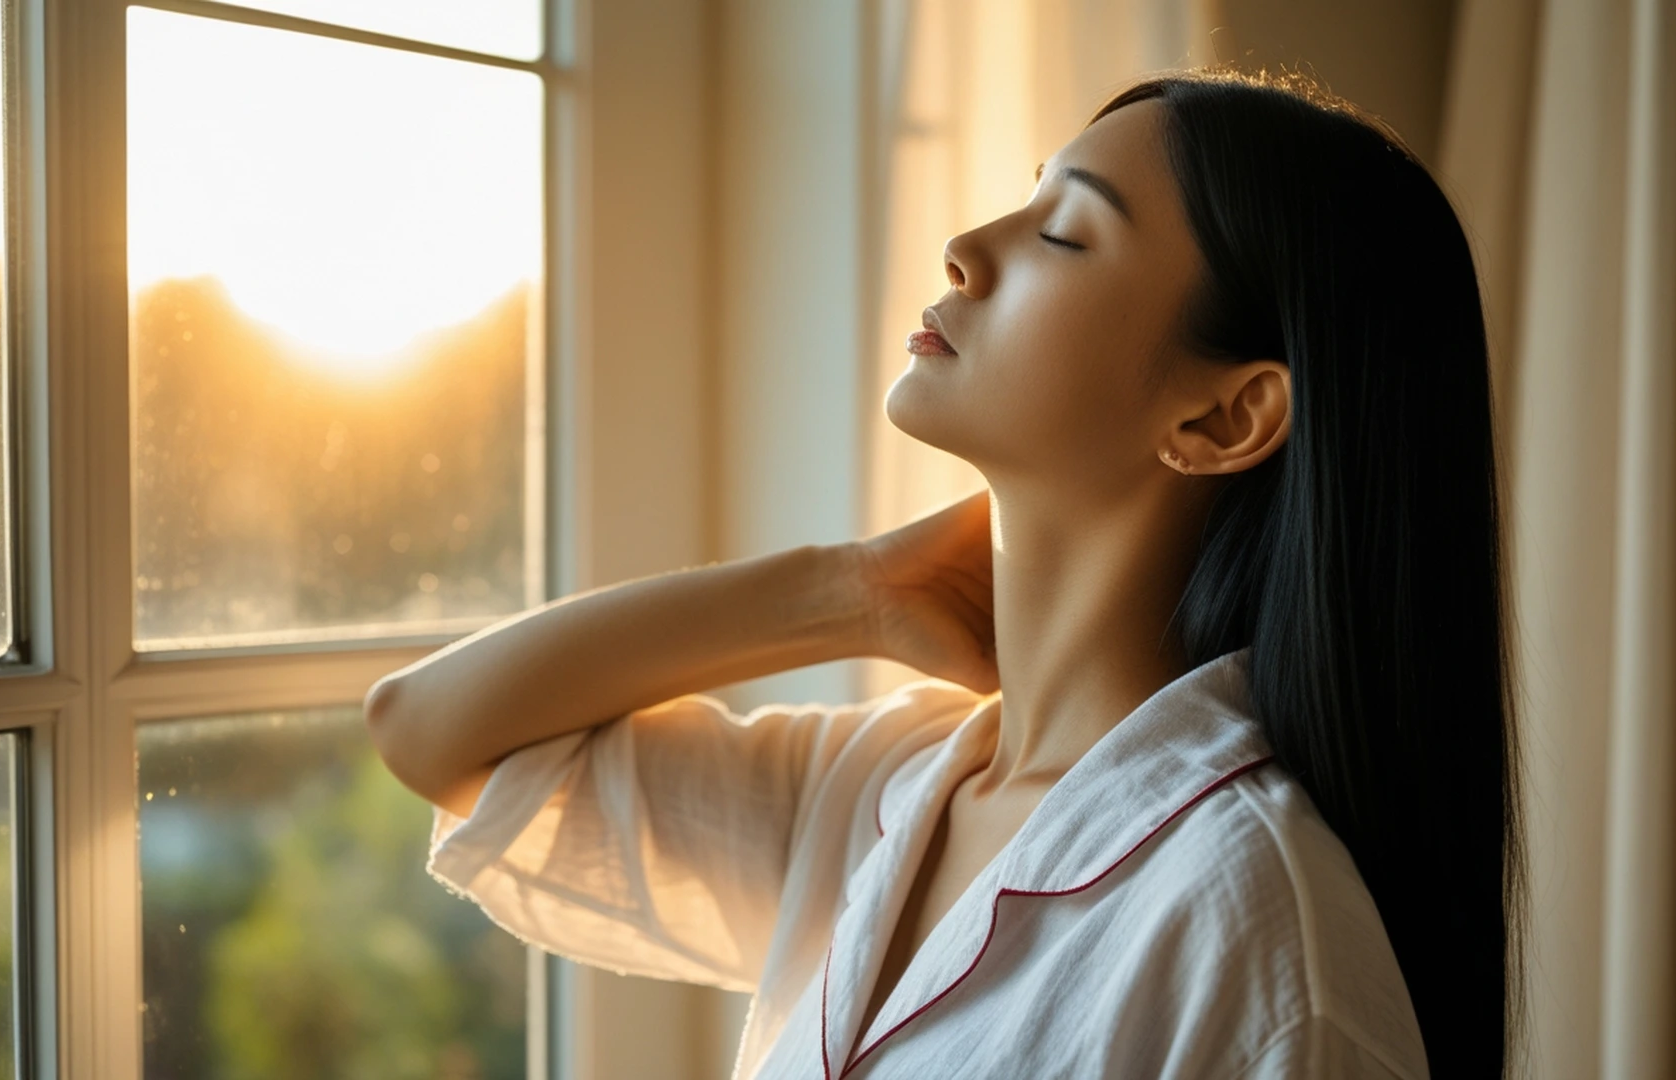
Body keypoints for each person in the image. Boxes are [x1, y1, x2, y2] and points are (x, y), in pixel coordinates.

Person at [366, 70, 1520, 1079]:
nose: (969, 246)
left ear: (1226, 414)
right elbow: (428, 730)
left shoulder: (1258, 943)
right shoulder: (890, 788)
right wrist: (850, 590)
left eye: (1065, 234)